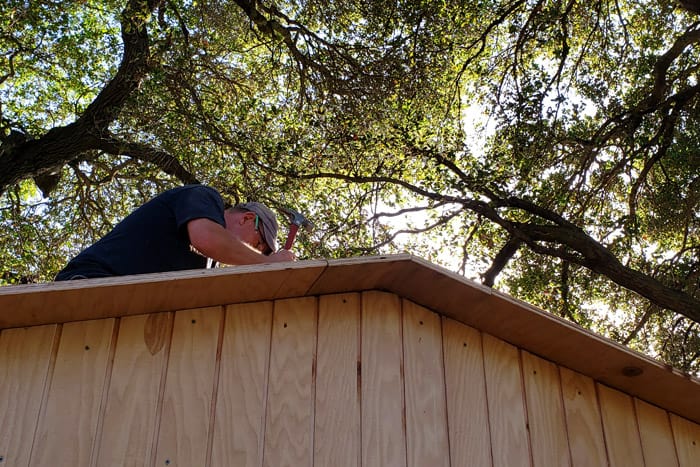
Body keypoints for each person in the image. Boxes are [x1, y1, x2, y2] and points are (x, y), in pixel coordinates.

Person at [55, 184, 295, 280]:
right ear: (247, 219)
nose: (255, 256)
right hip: (89, 281)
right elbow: (206, 237)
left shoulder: (209, 264)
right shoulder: (205, 197)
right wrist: (267, 264)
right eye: (258, 247)